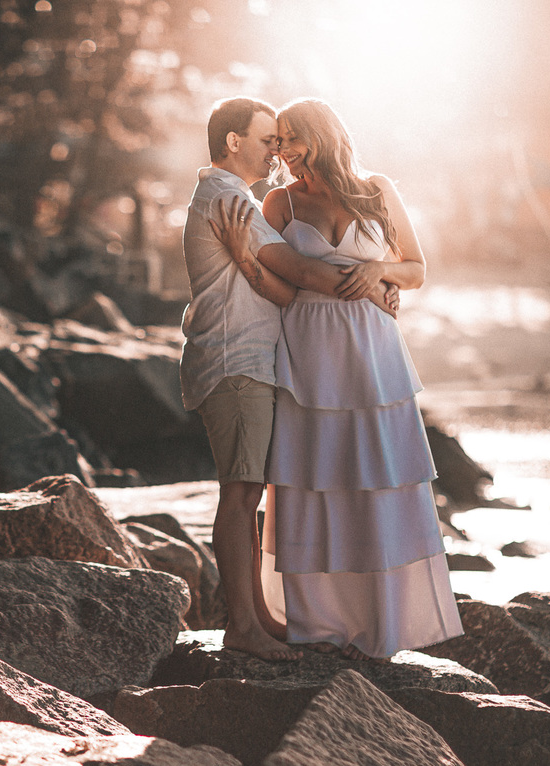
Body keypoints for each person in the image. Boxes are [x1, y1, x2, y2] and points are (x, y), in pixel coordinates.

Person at [214, 97, 463, 661]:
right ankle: (317, 619)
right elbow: (274, 277)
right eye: (277, 141)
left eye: (292, 138)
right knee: (313, 481)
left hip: (375, 356)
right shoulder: (277, 202)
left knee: (376, 477)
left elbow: (417, 270)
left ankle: (382, 621)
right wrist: (250, 262)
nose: (283, 151)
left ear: (323, 135)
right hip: (307, 353)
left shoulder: (377, 190)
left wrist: (380, 271)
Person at [180, 97, 399, 662]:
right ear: (233, 141)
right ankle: (244, 627)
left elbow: (280, 289)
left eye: (280, 140)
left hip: (250, 359)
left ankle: (258, 618)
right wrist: (373, 287)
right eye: (265, 139)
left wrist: (382, 277)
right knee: (240, 493)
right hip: (234, 361)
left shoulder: (235, 199)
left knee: (249, 489)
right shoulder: (228, 198)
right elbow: (298, 270)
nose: (275, 150)